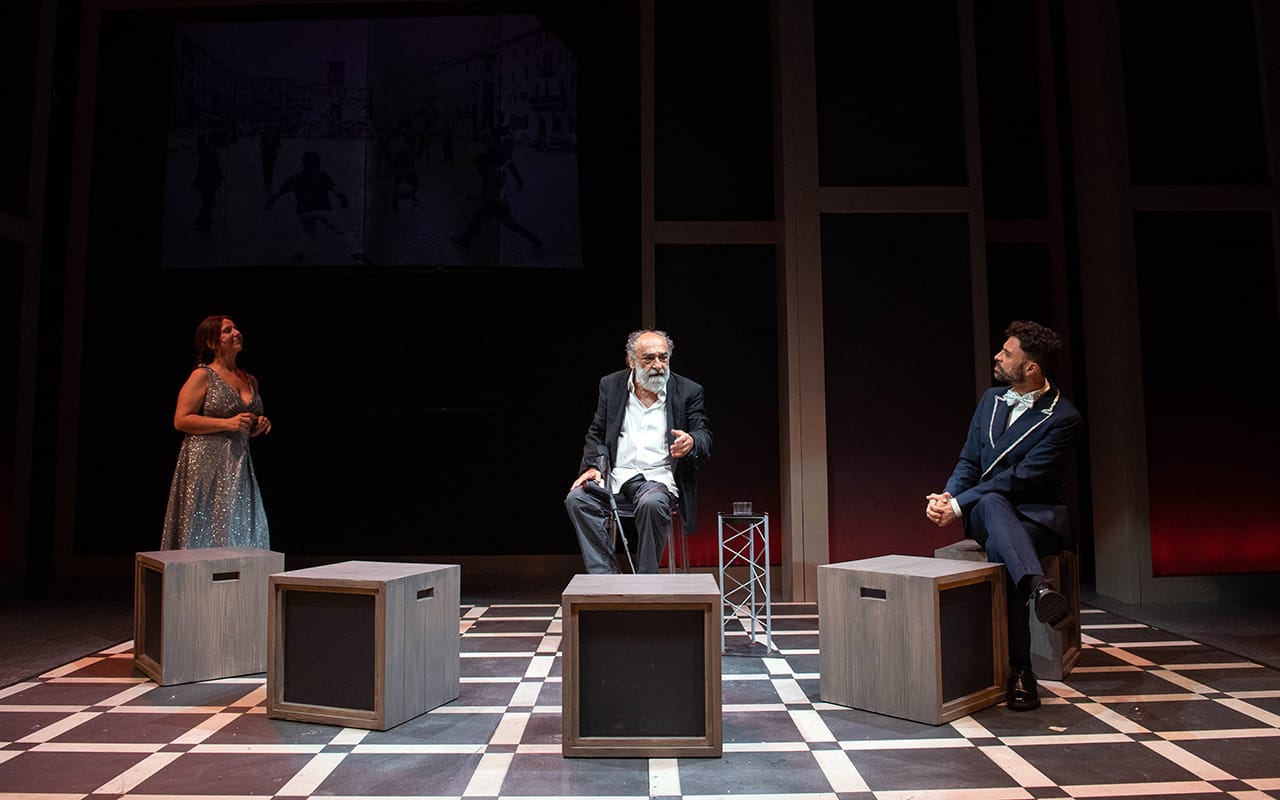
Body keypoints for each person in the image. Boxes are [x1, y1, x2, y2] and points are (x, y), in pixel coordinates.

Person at [925, 320, 1082, 711]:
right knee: (993, 504)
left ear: (1031, 367)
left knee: (1003, 541)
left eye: (1007, 354)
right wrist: (948, 496)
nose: (997, 357)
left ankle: (1021, 667)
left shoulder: (1063, 417)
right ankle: (1038, 590)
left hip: (1036, 517)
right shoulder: (991, 400)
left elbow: (1021, 479)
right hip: (985, 509)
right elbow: (969, 460)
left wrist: (960, 505)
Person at [564, 330, 712, 574]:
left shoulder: (688, 390)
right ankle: (607, 576)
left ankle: (645, 582)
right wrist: (592, 466)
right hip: (617, 478)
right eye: (649, 358)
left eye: (663, 357)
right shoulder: (611, 385)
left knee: (652, 504)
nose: (658, 365)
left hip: (658, 481)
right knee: (578, 499)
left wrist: (692, 441)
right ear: (631, 361)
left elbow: (704, 434)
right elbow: (596, 432)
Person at [161, 315, 272, 550]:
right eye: (227, 330)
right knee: (206, 526)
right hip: (205, 463)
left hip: (237, 461)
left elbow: (242, 422)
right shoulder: (203, 375)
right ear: (211, 342)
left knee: (237, 523)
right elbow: (181, 420)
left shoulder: (250, 380)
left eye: (236, 328)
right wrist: (228, 423)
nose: (236, 333)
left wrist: (256, 425)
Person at [263, 150, 366, 263]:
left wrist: (267, 205)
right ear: (318, 163)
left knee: (308, 231)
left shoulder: (295, 177)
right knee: (344, 230)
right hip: (323, 209)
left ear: (304, 163)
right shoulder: (322, 175)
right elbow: (335, 189)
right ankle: (356, 251)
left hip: (304, 211)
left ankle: (298, 253)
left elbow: (279, 193)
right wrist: (342, 199)